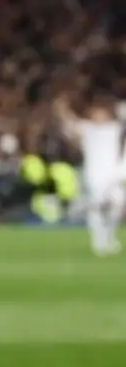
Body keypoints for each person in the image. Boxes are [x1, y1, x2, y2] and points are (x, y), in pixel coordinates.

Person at [55, 94, 125, 256]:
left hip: (113, 173)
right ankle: (98, 241)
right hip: (94, 174)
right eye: (96, 113)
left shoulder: (114, 128)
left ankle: (109, 237)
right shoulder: (87, 128)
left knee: (117, 204)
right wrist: (61, 108)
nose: (99, 116)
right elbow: (69, 122)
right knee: (98, 207)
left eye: (102, 113)